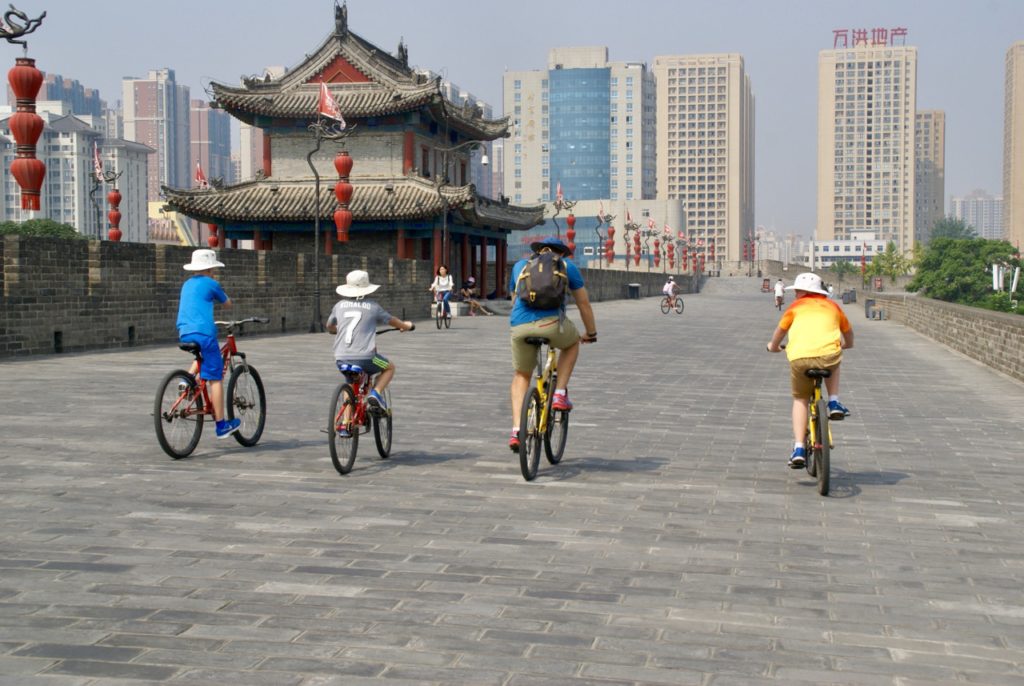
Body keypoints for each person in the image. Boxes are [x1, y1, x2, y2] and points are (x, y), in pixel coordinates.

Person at [508, 237, 597, 451]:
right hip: (551, 325)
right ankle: (559, 394)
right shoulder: (567, 266)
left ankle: (517, 430)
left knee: (522, 375)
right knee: (572, 343)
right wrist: (591, 333)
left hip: (520, 326)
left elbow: (514, 298)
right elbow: (583, 303)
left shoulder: (521, 266)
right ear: (562, 253)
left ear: (537, 251)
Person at [766, 272, 854, 468]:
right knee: (834, 358)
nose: (795, 294)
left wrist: (773, 346)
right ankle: (834, 402)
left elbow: (780, 332)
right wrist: (846, 344)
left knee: (800, 399)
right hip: (828, 357)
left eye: (797, 291)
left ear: (801, 292)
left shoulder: (795, 308)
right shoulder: (833, 307)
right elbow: (848, 333)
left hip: (800, 358)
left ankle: (798, 448)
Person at [327, 270, 414, 436]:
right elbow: (392, 320)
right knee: (389, 367)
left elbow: (329, 326)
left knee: (349, 382)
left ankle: (345, 423)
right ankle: (375, 393)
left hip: (341, 357)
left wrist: (336, 330)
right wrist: (405, 326)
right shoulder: (373, 307)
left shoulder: (339, 306)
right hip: (368, 358)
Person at [175, 248, 240, 438]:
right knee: (215, 378)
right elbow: (227, 303)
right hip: (204, 333)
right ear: (211, 269)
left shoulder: (186, 284)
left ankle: (186, 381)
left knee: (202, 355)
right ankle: (221, 425)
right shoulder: (211, 283)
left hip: (184, 332)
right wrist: (226, 300)